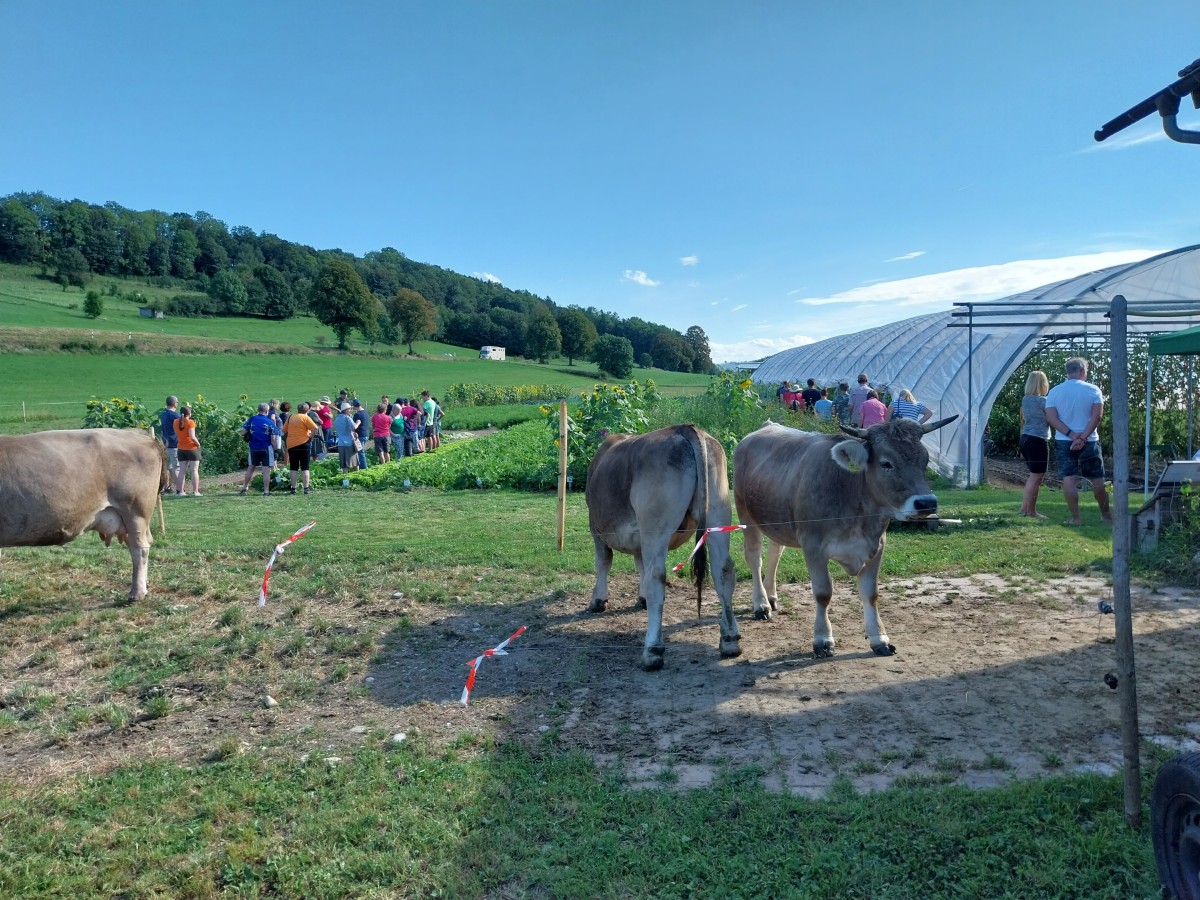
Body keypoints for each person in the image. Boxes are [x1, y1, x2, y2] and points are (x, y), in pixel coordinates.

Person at [1045, 357, 1113, 526]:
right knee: (1097, 479)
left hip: (1064, 440)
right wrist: (1082, 437)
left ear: (1068, 371)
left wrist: (1072, 435)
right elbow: (1097, 416)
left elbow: (1051, 418)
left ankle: (1076, 518)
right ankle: (1106, 515)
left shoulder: (1054, 391)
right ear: (1082, 371)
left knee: (1069, 479)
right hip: (1090, 440)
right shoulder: (1093, 390)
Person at [1018, 370, 1051, 519]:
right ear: (1042, 384)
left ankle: (1024, 508)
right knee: (1037, 477)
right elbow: (1052, 418)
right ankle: (1031, 511)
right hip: (1038, 439)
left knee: (1033, 477)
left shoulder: (1026, 399)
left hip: (1025, 438)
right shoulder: (1043, 401)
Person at [239, 403, 279, 496]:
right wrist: (276, 448)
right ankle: (266, 491)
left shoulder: (252, 419)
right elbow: (273, 438)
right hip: (266, 447)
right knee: (266, 469)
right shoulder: (269, 422)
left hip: (253, 447)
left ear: (258, 410)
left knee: (251, 467)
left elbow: (242, 432)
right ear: (266, 411)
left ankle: (245, 488)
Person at [284, 401, 321, 494]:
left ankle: (293, 488)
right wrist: (310, 436)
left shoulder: (291, 417)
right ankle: (306, 488)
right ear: (307, 410)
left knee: (293, 467)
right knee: (305, 467)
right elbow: (315, 428)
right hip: (304, 443)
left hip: (292, 444)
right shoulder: (305, 417)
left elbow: (284, 430)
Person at [173, 404, 202, 496]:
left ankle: (180, 491)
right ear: (189, 413)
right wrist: (198, 444)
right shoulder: (190, 422)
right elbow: (192, 437)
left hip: (181, 448)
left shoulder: (175, 422)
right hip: (191, 448)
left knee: (182, 470)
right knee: (194, 470)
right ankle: (196, 491)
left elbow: (177, 434)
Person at [159, 395, 180, 494]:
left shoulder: (163, 414)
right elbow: (185, 422)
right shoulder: (174, 415)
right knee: (176, 467)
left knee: (167, 467)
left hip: (164, 443)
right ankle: (179, 488)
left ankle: (165, 487)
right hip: (173, 443)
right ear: (175, 403)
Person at [334, 402, 358, 474]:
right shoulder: (347, 418)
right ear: (346, 410)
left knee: (344, 463)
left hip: (341, 443)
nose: (350, 410)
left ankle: (346, 479)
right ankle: (357, 476)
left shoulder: (337, 418)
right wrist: (358, 422)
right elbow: (354, 427)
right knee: (355, 462)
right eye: (349, 409)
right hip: (349, 442)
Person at [351, 398, 370, 469]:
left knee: (360, 452)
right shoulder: (365, 412)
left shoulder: (357, 414)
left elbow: (354, 425)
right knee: (361, 451)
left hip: (360, 435)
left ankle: (364, 468)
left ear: (354, 406)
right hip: (366, 434)